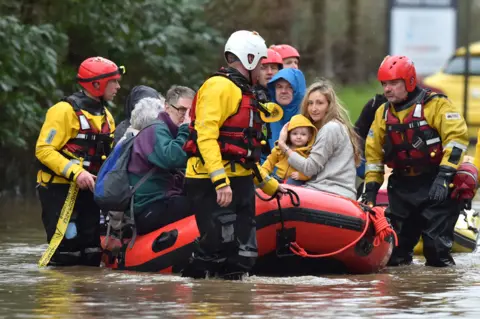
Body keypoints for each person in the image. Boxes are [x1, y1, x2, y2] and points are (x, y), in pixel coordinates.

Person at [181, 30, 286, 280]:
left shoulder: (245, 91)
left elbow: (244, 154)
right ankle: (198, 296)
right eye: (261, 65)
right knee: (217, 248)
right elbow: (206, 136)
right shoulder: (219, 87)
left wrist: (268, 184)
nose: (265, 72)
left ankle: (234, 306)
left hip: (239, 179)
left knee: (244, 254)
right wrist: (219, 181)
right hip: (211, 181)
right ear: (249, 60)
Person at [363, 55, 469, 267]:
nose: (387, 89)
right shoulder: (382, 113)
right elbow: (373, 155)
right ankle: (403, 294)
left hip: (436, 184)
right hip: (402, 187)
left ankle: (439, 293)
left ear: (410, 82)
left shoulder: (436, 105)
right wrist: (371, 190)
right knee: (395, 255)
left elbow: (456, 140)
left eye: (393, 83)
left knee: (436, 251)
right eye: (384, 84)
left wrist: (444, 175)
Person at [35, 56, 123, 266]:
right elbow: (44, 150)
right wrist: (76, 172)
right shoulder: (63, 111)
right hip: (59, 189)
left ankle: (86, 297)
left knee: (92, 251)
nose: (118, 87)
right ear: (96, 84)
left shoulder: (106, 117)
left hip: (90, 191)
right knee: (67, 250)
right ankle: (58, 296)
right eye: (114, 82)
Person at [276, 80, 361, 200]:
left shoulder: (330, 128)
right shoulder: (330, 127)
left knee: (279, 194)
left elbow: (309, 168)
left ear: (329, 105)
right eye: (310, 103)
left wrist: (283, 146)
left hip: (331, 192)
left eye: (319, 103)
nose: (313, 108)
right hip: (328, 190)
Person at [127, 85, 195, 235]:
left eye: (191, 112)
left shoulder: (171, 132)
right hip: (149, 207)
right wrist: (186, 128)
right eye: (182, 110)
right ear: (167, 107)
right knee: (203, 206)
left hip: (164, 200)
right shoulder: (154, 130)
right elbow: (174, 157)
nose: (186, 117)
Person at [262, 114, 316, 185]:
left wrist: (301, 176)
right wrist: (263, 173)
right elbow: (269, 162)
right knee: (268, 182)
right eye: (295, 134)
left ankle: (287, 193)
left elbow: (310, 171)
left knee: (293, 182)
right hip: (277, 177)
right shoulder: (279, 149)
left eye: (303, 134)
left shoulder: (308, 153)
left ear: (309, 137)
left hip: (294, 180)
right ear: (288, 134)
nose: (298, 137)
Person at [266, 68, 306, 151]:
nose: (283, 91)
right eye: (279, 87)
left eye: (290, 87)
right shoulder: (265, 115)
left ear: (297, 91)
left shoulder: (308, 116)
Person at [254, 48, 283, 163]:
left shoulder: (288, 97)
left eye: (274, 68)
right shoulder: (249, 97)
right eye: (263, 68)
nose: (270, 72)